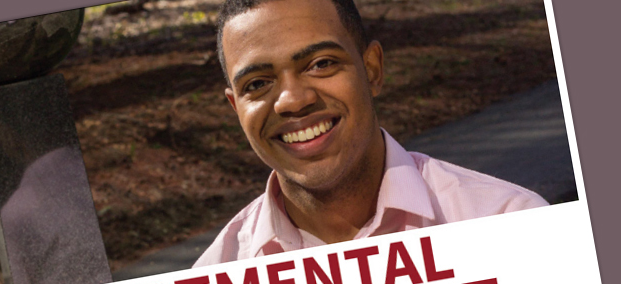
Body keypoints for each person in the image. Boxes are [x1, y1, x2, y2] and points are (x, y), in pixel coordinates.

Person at [194, 0, 547, 267]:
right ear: (236, 108)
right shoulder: (214, 279)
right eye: (257, 84)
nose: (293, 100)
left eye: (321, 64)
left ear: (372, 70)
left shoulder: (509, 224)